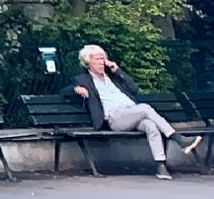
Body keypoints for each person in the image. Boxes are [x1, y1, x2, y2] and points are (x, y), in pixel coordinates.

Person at [70, 44, 201, 179]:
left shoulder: (113, 77)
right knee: (145, 108)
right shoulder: (83, 79)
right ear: (88, 62)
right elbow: (65, 92)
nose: (101, 62)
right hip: (115, 118)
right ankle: (177, 138)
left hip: (132, 113)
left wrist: (117, 70)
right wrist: (77, 89)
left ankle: (160, 166)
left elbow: (134, 89)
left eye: (103, 59)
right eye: (97, 59)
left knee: (150, 125)